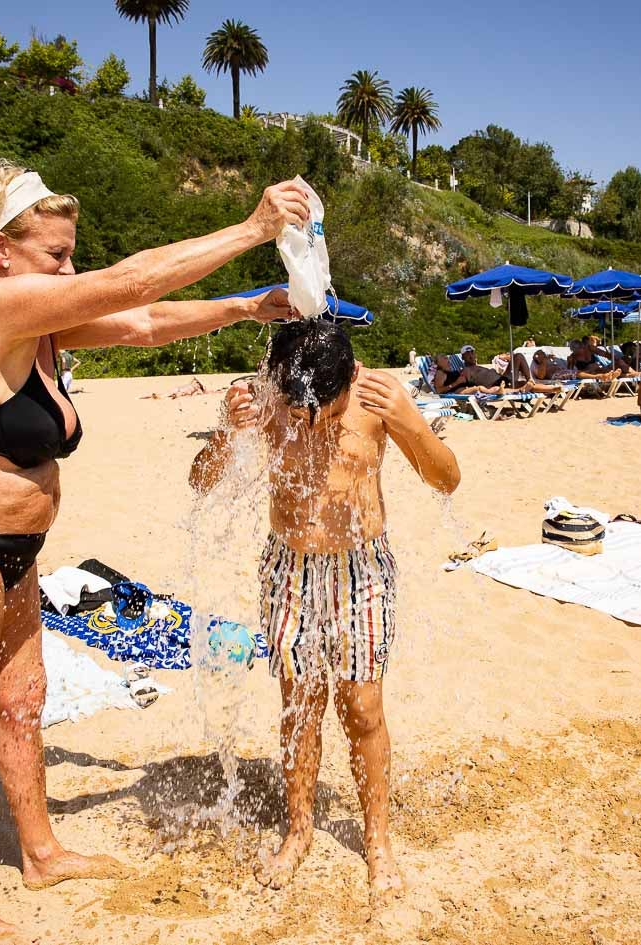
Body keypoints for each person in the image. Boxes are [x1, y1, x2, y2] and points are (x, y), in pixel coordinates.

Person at [0, 160, 307, 945]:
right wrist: (254, 229)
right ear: (0, 251)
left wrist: (247, 308)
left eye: (70, 254)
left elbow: (144, 322)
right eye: (55, 255)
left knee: (24, 702)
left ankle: (41, 851)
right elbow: (128, 285)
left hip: (15, 547)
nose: (69, 269)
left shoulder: (32, 324)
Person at [189, 320, 460, 907]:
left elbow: (447, 480)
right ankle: (298, 830)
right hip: (290, 570)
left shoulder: (377, 400)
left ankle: (378, 840)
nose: (312, 418)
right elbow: (201, 481)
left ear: (350, 378)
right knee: (300, 704)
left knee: (362, 708)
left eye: (325, 408)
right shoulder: (265, 400)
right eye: (298, 405)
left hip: (360, 570)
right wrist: (224, 434)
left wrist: (411, 421)